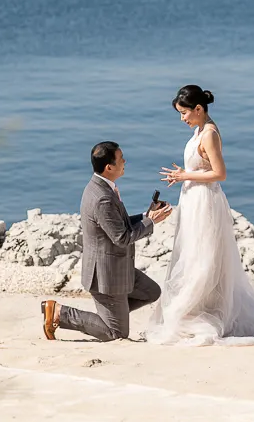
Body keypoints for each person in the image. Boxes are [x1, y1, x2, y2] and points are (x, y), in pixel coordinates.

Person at [145, 85, 254, 346]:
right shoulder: (199, 129)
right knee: (192, 253)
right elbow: (203, 166)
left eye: (185, 113)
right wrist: (184, 174)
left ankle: (196, 311)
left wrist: (185, 175)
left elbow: (220, 173)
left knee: (202, 257)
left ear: (199, 109)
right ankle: (195, 309)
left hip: (205, 202)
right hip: (193, 199)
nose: (182, 118)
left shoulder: (210, 134)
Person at [41, 141, 172, 341]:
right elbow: (122, 237)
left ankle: (112, 316)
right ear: (109, 167)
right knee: (117, 333)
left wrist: (147, 215)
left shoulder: (101, 187)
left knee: (151, 291)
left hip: (118, 267)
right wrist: (150, 222)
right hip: (107, 276)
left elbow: (119, 224)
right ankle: (61, 313)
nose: (125, 161)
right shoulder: (103, 197)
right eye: (121, 159)